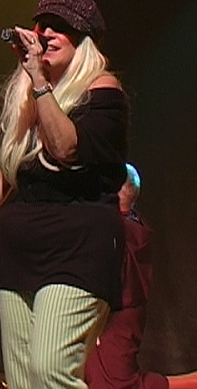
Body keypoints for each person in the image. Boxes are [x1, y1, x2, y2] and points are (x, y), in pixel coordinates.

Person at [0, 0, 129, 389]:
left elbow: (65, 149)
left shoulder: (102, 92)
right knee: (24, 380)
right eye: (42, 26)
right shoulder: (25, 98)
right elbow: (5, 169)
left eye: (60, 27)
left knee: (51, 370)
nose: (47, 34)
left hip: (78, 248)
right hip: (21, 250)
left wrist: (40, 83)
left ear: (83, 39)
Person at [85, 164, 197, 389]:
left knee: (115, 384)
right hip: (119, 317)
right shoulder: (134, 224)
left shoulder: (118, 231)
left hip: (115, 318)